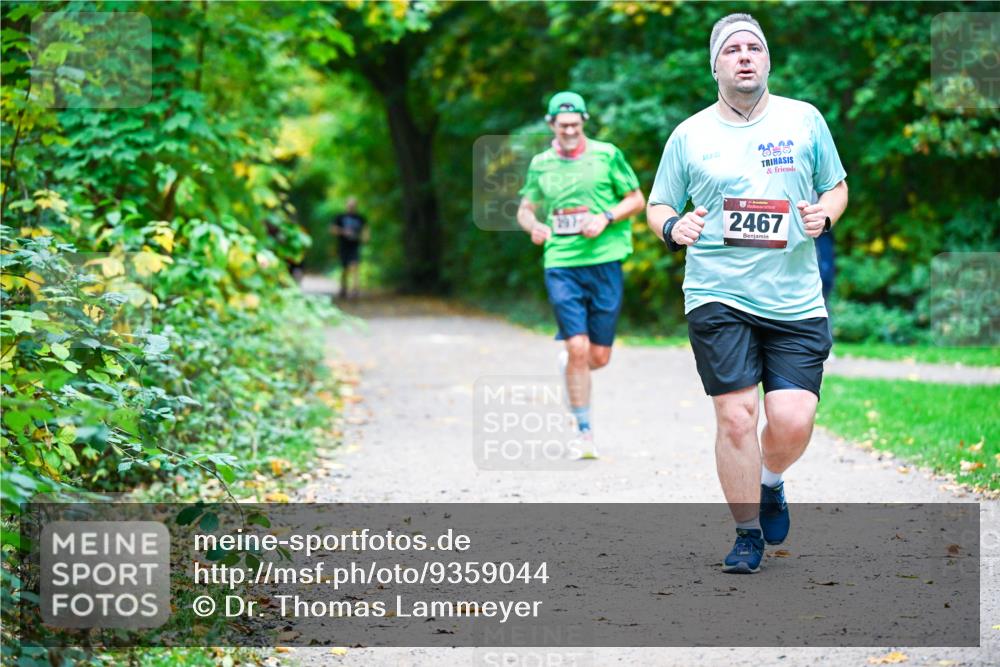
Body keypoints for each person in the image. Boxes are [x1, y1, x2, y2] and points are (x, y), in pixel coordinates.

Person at [646, 14, 849, 573]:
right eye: (731, 49)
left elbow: (836, 187)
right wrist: (673, 227)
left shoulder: (804, 120)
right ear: (714, 66)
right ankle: (746, 534)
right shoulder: (689, 135)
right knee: (736, 417)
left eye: (753, 48)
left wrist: (825, 215)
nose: (743, 56)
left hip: (794, 298)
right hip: (717, 292)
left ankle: (771, 479)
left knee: (792, 420)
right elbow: (658, 204)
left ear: (767, 62)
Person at [517, 91, 646, 457]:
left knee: (598, 357)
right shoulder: (541, 164)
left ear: (584, 122)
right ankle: (583, 432)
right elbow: (526, 208)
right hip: (561, 263)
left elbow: (637, 199)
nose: (570, 131)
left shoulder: (607, 155)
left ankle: (573, 365)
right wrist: (533, 226)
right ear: (551, 125)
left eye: (575, 124)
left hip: (605, 261)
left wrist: (605, 217)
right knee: (577, 346)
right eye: (563, 126)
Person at [331, 197, 368, 299]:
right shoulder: (340, 217)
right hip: (343, 245)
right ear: (346, 205)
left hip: (355, 246)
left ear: (356, 206)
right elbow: (332, 229)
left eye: (353, 205)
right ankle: (343, 288)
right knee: (344, 268)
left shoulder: (360, 218)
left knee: (355, 266)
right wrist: (343, 232)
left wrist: (365, 238)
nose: (351, 207)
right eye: (350, 205)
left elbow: (366, 229)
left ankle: (355, 290)